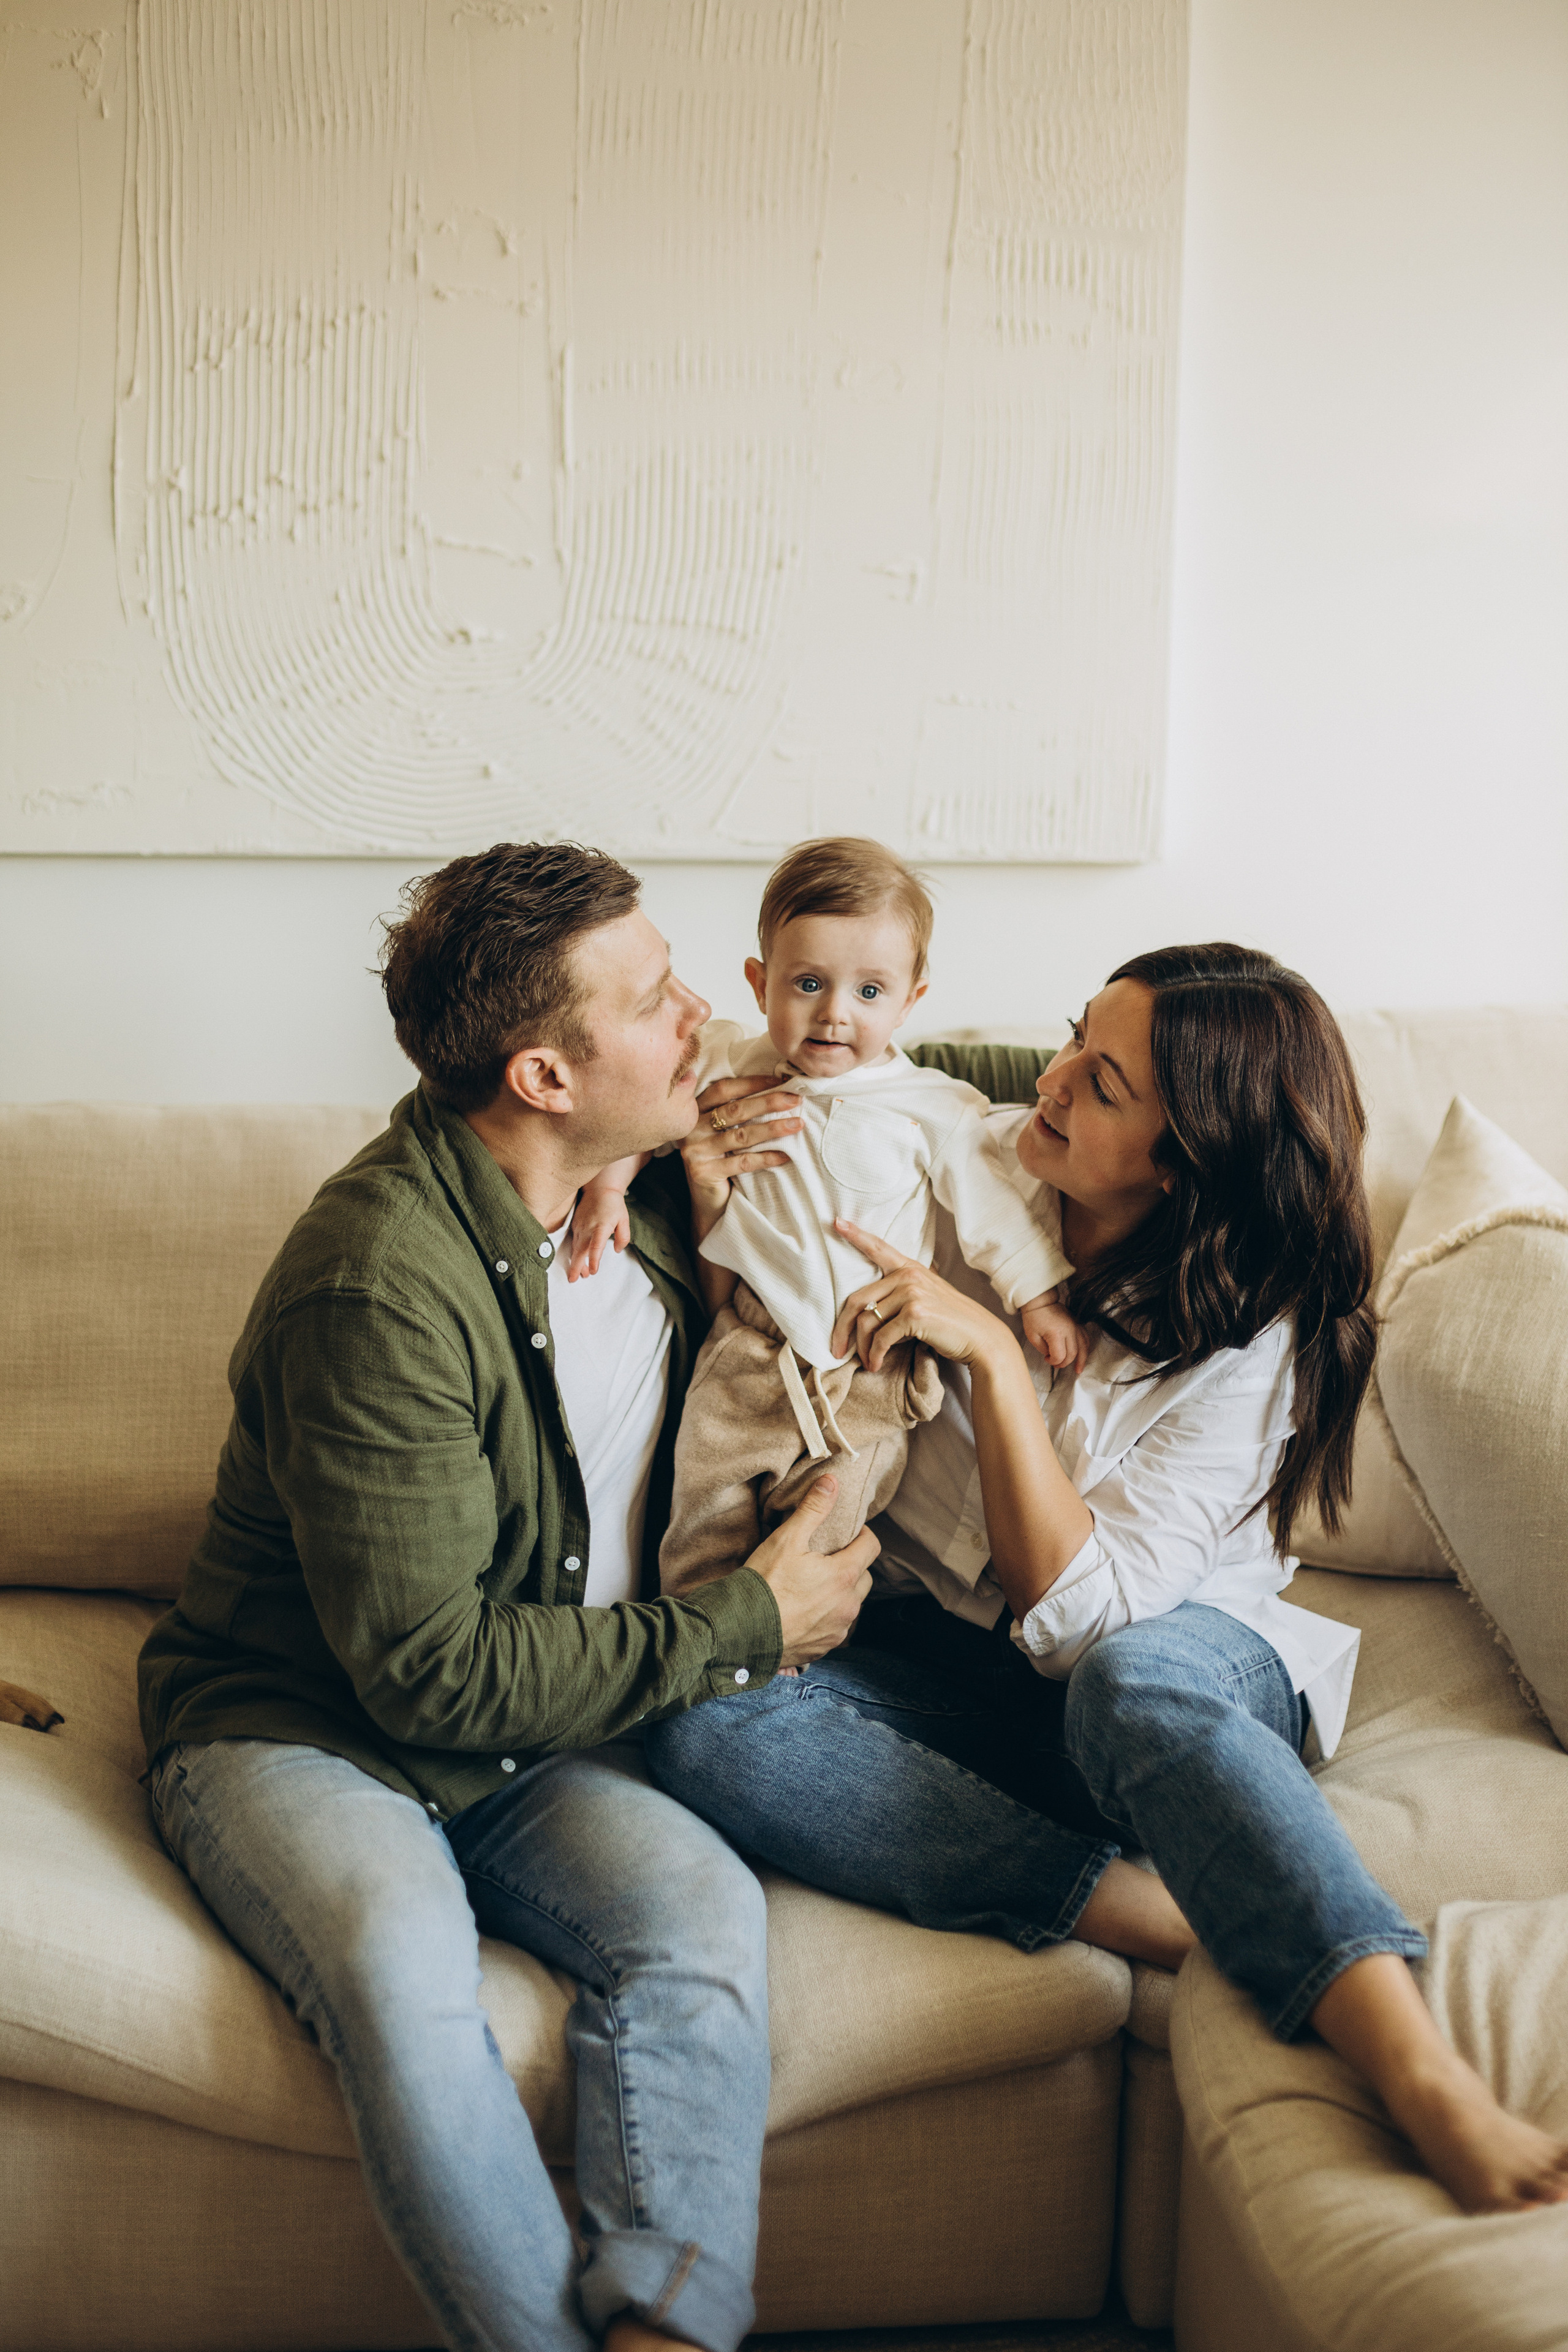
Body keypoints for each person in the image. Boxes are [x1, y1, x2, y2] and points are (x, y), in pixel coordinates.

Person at [647, 943, 1568, 2216]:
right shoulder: (958, 1157)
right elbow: (835, 1110)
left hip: (1178, 1670)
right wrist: (690, 1164)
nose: (1050, 1081)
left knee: (1132, 1681)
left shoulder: (1256, 1333)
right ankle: (1139, 1909)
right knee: (705, 1719)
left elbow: (1087, 1625)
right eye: (1075, 1035)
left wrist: (979, 1348)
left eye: (1102, 1081)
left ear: (1181, 1157)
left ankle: (1409, 2056)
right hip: (959, 1679)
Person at [136, 841, 878, 2352]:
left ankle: (665, 2332)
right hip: (307, 1729)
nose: (700, 1019)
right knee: (404, 1973)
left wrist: (643, 1157)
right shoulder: (377, 1284)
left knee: (698, 1919)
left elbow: (958, 1063)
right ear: (543, 1073)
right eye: (660, 998)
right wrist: (751, 1621)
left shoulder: (649, 1161)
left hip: (529, 1737)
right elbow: (427, 1674)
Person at [570, 837, 1081, 1586]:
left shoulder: (933, 1108)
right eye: (807, 983)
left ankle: (795, 1646)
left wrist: (1037, 1297)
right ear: (759, 982)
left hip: (867, 1363)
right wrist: (607, 1188)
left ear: (913, 1000)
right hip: (746, 1342)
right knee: (707, 1499)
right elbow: (645, 1111)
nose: (835, 1014)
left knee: (831, 1515)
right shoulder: (730, 1063)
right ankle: (702, 1633)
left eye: (869, 993)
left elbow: (994, 1213)